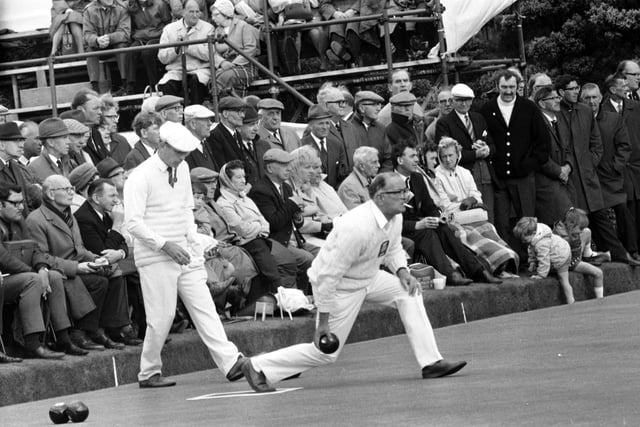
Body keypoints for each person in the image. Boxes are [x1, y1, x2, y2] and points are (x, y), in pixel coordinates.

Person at [240, 172, 466, 392]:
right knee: (325, 353)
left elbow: (393, 248)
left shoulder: (395, 216)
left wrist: (402, 272)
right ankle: (258, 366)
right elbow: (326, 277)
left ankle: (431, 363)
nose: (406, 195)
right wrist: (323, 323)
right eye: (399, 192)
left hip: (369, 276)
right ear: (380, 197)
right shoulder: (356, 228)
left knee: (409, 293)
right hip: (340, 286)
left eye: (405, 190)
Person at [124, 121, 246, 388]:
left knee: (205, 308)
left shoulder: (183, 167)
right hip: (156, 255)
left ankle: (230, 361)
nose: (181, 158)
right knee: (161, 317)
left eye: (185, 153)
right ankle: (148, 372)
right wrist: (164, 244)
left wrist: (193, 244)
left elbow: (184, 210)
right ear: (162, 146)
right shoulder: (140, 176)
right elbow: (132, 223)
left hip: (183, 251)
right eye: (178, 152)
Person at [27, 174, 130, 351]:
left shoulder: (69, 216)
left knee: (112, 271)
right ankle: (80, 332)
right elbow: (41, 257)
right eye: (66, 189)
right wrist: (76, 267)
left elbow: (80, 249)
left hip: (78, 265)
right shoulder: (36, 220)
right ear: (51, 194)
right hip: (60, 271)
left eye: (72, 189)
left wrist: (97, 260)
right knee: (99, 282)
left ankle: (104, 329)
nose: (71, 193)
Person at [556, 75, 639, 266]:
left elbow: (597, 145)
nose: (577, 92)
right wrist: (573, 168)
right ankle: (586, 255)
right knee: (578, 218)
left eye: (578, 88)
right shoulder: (559, 112)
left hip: (593, 176)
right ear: (561, 93)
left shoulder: (585, 111)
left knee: (602, 215)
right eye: (573, 89)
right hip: (571, 177)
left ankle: (623, 253)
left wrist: (588, 164)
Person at [393, 142, 501, 285]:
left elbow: (429, 206)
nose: (417, 160)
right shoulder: (389, 181)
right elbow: (390, 220)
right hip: (401, 228)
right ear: (400, 160)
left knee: (443, 228)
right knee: (428, 233)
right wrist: (418, 224)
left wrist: (438, 218)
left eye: (417, 156)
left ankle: (478, 271)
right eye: (412, 156)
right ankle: (450, 275)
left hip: (419, 224)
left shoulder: (417, 178)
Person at [480, 69, 550, 254]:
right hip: (499, 177)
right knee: (501, 222)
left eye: (512, 87)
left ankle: (533, 259)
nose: (509, 91)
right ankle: (509, 260)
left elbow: (542, 142)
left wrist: (529, 164)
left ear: (518, 87)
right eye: (504, 87)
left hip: (524, 176)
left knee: (527, 220)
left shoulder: (528, 107)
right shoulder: (487, 109)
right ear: (497, 87)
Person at [434, 137, 519, 276]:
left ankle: (505, 260)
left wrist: (472, 199)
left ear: (457, 154)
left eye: (450, 155)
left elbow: (476, 194)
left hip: (473, 216)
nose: (448, 159)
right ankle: (491, 267)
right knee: (468, 235)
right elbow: (445, 205)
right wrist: (465, 204)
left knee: (489, 228)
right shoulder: (437, 176)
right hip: (455, 220)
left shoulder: (465, 172)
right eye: (444, 156)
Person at [217, 160, 297, 304]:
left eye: (244, 177)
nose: (243, 181)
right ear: (228, 180)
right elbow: (241, 229)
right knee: (267, 261)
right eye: (238, 177)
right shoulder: (223, 203)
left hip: (261, 238)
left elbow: (265, 222)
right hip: (245, 243)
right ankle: (279, 295)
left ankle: (291, 299)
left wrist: (258, 228)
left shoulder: (246, 199)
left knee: (288, 259)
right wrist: (258, 227)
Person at [74, 179, 141, 345]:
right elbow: (102, 253)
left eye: (117, 195)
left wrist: (120, 253)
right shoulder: (84, 218)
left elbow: (121, 243)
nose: (117, 200)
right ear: (97, 198)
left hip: (110, 262)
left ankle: (121, 328)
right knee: (114, 274)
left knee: (129, 271)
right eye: (112, 195)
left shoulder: (104, 214)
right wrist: (118, 223)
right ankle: (109, 329)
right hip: (87, 263)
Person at [579, 83, 637, 259]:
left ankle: (632, 250)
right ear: (582, 100)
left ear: (600, 97)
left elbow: (625, 146)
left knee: (622, 208)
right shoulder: (578, 119)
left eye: (594, 97)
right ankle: (608, 251)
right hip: (588, 177)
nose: (591, 102)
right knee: (597, 214)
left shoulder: (613, 119)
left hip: (610, 176)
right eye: (587, 98)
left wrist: (615, 167)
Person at [248, 148, 317, 292]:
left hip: (294, 239)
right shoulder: (260, 190)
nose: (289, 168)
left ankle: (312, 295)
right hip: (277, 242)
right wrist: (291, 204)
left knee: (323, 253)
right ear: (270, 168)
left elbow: (296, 221)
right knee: (307, 259)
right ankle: (298, 297)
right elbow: (274, 223)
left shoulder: (285, 187)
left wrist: (297, 215)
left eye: (289, 164)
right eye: (284, 165)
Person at [435, 83, 495, 223]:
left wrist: (487, 150)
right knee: (471, 217)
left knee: (488, 214)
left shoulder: (478, 118)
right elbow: (446, 154)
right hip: (463, 175)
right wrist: (475, 155)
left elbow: (493, 144)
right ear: (453, 101)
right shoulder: (445, 123)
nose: (464, 103)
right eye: (459, 100)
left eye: (467, 100)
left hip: (486, 173)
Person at [601, 72, 640, 257]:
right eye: (622, 85)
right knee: (626, 210)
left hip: (636, 168)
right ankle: (630, 250)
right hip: (615, 171)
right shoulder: (602, 110)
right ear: (612, 89)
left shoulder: (636, 107)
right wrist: (615, 166)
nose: (627, 88)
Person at [157, 0, 214, 105]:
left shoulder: (208, 28)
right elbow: (162, 57)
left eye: (197, 12)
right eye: (191, 12)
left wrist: (189, 46)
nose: (195, 15)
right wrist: (176, 49)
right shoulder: (169, 29)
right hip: (176, 70)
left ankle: (196, 115)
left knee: (195, 81)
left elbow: (209, 55)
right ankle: (175, 115)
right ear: (183, 12)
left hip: (199, 69)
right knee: (166, 85)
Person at [532, 86, 573, 227]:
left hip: (565, 181)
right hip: (546, 184)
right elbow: (538, 155)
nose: (558, 101)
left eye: (558, 97)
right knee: (560, 226)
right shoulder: (536, 123)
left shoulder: (560, 120)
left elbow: (568, 148)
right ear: (542, 103)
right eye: (553, 98)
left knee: (572, 223)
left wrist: (568, 167)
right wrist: (559, 171)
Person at [513, 217, 575, 304]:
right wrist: (532, 263)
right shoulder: (538, 236)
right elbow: (532, 251)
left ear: (533, 233)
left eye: (525, 239)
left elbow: (544, 260)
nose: (523, 242)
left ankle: (571, 302)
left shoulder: (541, 243)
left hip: (561, 257)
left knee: (564, 280)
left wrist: (541, 275)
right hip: (561, 251)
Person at [209, 0, 260, 93]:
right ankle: (224, 103)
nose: (213, 18)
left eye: (217, 15)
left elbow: (250, 48)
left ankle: (223, 102)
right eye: (212, 15)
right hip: (225, 66)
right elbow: (213, 52)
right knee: (212, 79)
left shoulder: (243, 26)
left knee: (225, 78)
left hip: (245, 65)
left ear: (226, 14)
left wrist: (234, 64)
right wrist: (222, 63)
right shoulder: (217, 31)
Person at [553, 207, 605, 297]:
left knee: (599, 273)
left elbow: (583, 233)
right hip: (564, 264)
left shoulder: (575, 231)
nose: (581, 230)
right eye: (580, 228)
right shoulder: (559, 236)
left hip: (575, 259)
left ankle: (600, 300)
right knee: (597, 273)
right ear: (570, 224)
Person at [82, 0, 131, 94]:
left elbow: (125, 33)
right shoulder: (89, 10)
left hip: (115, 44)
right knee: (90, 50)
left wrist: (109, 38)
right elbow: (87, 34)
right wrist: (97, 40)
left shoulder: (122, 8)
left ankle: (125, 85)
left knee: (122, 47)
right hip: (98, 45)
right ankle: (95, 89)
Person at [126, 0, 172, 94]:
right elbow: (132, 27)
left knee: (147, 53)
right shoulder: (131, 6)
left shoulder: (160, 4)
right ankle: (130, 85)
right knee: (131, 51)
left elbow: (168, 24)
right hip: (140, 37)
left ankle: (153, 84)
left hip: (157, 37)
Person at [301, 104, 348, 189]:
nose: (325, 127)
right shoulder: (302, 145)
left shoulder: (336, 144)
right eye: (321, 123)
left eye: (327, 123)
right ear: (311, 126)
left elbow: (343, 174)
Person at [0, 122, 40, 215]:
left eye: (22, 141)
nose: (22, 145)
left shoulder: (16, 167)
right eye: (16, 141)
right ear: (2, 145)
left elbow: (26, 202)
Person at [318, 86, 359, 172]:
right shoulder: (316, 130)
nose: (343, 105)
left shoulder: (351, 127)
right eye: (339, 102)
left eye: (344, 102)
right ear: (326, 105)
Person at [349, 91, 392, 171]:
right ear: (362, 107)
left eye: (379, 104)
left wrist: (382, 178)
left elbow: (388, 158)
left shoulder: (381, 128)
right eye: (374, 104)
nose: (379, 108)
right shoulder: (348, 128)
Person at [94, 95, 131, 165]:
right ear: (99, 117)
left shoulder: (122, 140)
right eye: (110, 117)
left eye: (116, 116)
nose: (116, 121)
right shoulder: (90, 144)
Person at [184, 105, 219, 172]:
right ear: (193, 124)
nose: (210, 123)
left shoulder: (205, 144)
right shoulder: (184, 148)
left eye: (210, 120)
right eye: (206, 120)